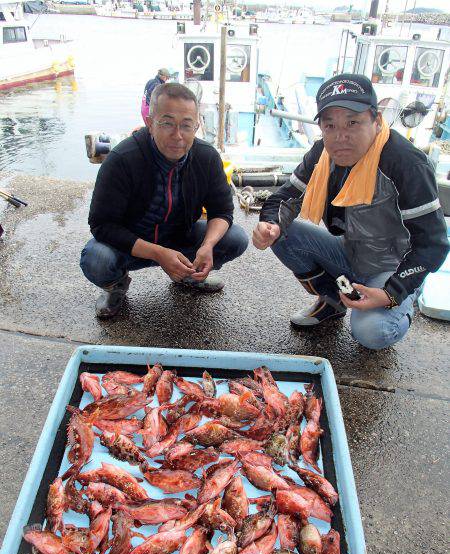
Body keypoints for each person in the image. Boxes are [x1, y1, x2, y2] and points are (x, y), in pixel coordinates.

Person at [253, 73, 448, 350]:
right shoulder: (322, 153)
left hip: (392, 266)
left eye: (353, 123)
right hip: (350, 250)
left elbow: (433, 244)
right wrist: (269, 224)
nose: (340, 137)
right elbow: (283, 199)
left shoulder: (406, 163)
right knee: (281, 234)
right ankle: (334, 301)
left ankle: (400, 308)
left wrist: (392, 292)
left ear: (376, 120)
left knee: (372, 332)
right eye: (330, 125)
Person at [81, 82, 248, 318]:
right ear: (150, 123)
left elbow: (222, 211)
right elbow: (102, 225)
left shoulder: (207, 157)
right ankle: (115, 286)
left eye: (186, 125)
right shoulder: (121, 159)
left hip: (180, 236)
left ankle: (189, 275)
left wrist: (207, 245)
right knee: (96, 258)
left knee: (236, 238)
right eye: (167, 123)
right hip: (133, 243)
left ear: (197, 126)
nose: (177, 135)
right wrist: (159, 253)